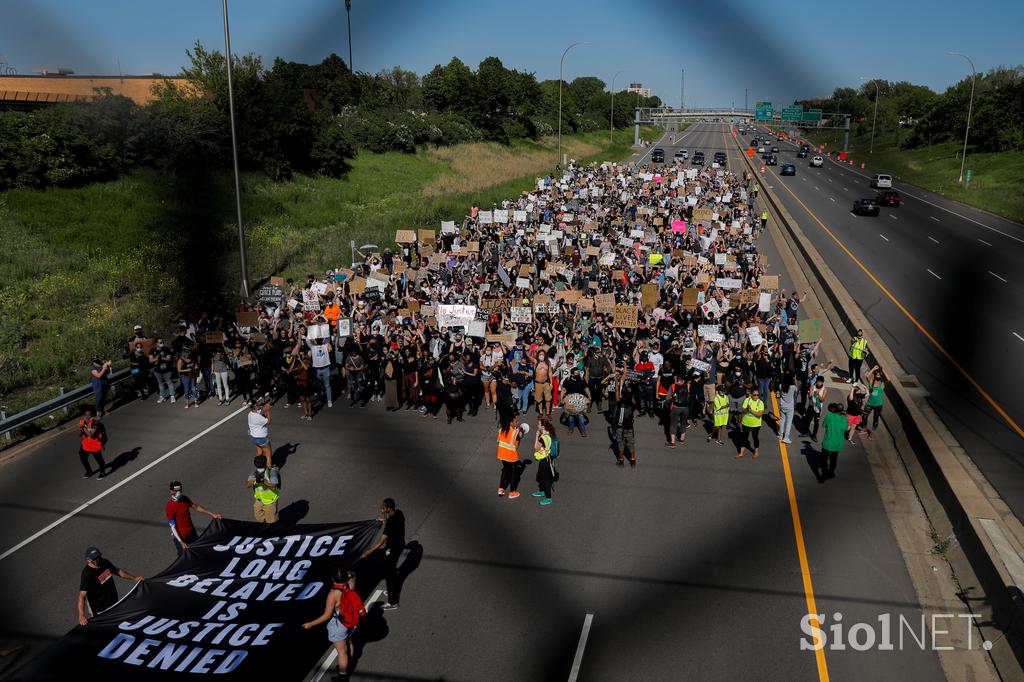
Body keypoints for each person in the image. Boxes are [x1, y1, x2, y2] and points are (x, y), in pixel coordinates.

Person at [302, 569, 366, 682]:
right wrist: (349, 575)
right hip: (350, 621)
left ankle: (343, 676)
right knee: (349, 641)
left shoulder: (333, 594)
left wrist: (310, 624)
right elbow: (353, 575)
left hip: (339, 625)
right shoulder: (350, 585)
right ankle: (348, 663)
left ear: (333, 579)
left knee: (341, 652)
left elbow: (327, 615)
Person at [359, 498, 405, 610]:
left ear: (388, 508)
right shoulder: (399, 513)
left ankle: (393, 603)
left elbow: (381, 541)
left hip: (392, 550)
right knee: (391, 569)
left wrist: (368, 552)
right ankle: (393, 591)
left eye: (383, 507)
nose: (382, 508)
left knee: (389, 575)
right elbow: (393, 522)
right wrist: (385, 521)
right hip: (400, 545)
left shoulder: (391, 522)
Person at [78, 547, 142, 625]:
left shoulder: (104, 563)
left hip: (113, 603)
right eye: (95, 558)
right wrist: (81, 615)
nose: (98, 559)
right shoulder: (87, 574)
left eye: (99, 556)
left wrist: (134, 578)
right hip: (100, 609)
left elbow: (117, 571)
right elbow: (82, 595)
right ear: (88, 560)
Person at [166, 480, 221, 556]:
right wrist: (181, 542)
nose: (179, 492)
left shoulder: (184, 499)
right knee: (184, 557)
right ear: (171, 491)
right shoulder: (170, 507)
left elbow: (196, 507)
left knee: (200, 551)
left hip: (191, 533)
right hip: (181, 537)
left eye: (180, 490)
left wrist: (212, 514)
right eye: (176, 491)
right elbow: (173, 527)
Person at [496, 414, 528, 498]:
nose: (517, 423)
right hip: (510, 455)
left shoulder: (502, 429)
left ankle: (501, 488)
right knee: (513, 473)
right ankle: (512, 492)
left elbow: (498, 440)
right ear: (511, 422)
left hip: (501, 453)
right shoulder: (515, 432)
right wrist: (521, 431)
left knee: (505, 469)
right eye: (516, 421)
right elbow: (516, 445)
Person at [817, 403, 849, 482]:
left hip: (828, 442)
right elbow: (846, 429)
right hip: (837, 443)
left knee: (824, 459)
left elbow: (824, 425)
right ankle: (831, 473)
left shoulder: (829, 416)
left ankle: (823, 475)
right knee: (833, 459)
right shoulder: (845, 419)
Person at [247, 455, 280, 523]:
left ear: (265, 464)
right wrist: (251, 481)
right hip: (259, 500)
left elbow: (273, 486)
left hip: (270, 501)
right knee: (259, 518)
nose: (259, 470)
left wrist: (263, 481)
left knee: (270, 521)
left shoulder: (272, 472)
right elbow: (248, 485)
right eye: (258, 467)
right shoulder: (253, 472)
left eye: (261, 467)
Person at [610, 385, 637, 467]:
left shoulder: (619, 403)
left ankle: (621, 461)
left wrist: (616, 382)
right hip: (629, 428)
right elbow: (633, 399)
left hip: (619, 428)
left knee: (620, 445)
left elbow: (617, 394)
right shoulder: (632, 406)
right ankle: (632, 461)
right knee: (631, 445)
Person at [531, 419, 557, 505]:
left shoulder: (542, 437)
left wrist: (537, 435)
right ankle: (542, 491)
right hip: (547, 458)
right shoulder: (548, 434)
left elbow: (536, 448)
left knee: (545, 478)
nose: (537, 425)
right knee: (541, 475)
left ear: (542, 426)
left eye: (539, 424)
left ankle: (548, 498)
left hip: (545, 460)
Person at [78, 407, 108, 479]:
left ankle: (102, 472)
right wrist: (81, 429)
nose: (87, 417)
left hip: (95, 444)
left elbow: (91, 434)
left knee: (99, 460)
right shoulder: (83, 422)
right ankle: (89, 471)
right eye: (86, 415)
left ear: (93, 415)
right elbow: (80, 435)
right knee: (82, 457)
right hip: (86, 444)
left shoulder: (96, 423)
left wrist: (84, 426)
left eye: (89, 415)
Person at [559, 367, 590, 437]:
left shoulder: (582, 380)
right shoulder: (567, 380)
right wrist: (561, 399)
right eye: (576, 373)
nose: (578, 374)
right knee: (570, 417)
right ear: (572, 374)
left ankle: (583, 431)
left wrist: (589, 396)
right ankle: (571, 429)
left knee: (581, 416)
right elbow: (563, 390)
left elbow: (586, 388)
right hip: (570, 401)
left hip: (579, 400)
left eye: (579, 373)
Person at [735, 388, 765, 460]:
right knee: (744, 438)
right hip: (746, 423)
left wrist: (750, 410)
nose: (756, 396)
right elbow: (743, 410)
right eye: (755, 395)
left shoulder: (760, 403)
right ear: (751, 395)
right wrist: (746, 410)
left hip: (756, 425)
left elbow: (759, 414)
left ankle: (756, 452)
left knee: (755, 438)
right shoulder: (747, 400)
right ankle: (741, 453)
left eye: (758, 395)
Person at [862, 365, 886, 437]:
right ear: (875, 375)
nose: (878, 375)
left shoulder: (882, 384)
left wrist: (883, 370)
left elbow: (889, 379)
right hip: (869, 403)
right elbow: (867, 376)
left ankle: (872, 432)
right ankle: (864, 428)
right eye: (877, 374)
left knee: (875, 419)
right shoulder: (871, 381)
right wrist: (873, 368)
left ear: (881, 376)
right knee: (864, 416)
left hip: (878, 405)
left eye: (879, 374)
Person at [666, 372, 689, 448]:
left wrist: (667, 404)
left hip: (676, 408)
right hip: (685, 408)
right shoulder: (687, 386)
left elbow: (668, 398)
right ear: (683, 381)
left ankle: (672, 443)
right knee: (683, 423)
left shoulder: (672, 386)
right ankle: (682, 439)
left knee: (673, 424)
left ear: (677, 380)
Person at [777, 370, 798, 444]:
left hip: (782, 405)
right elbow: (796, 393)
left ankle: (780, 435)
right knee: (788, 422)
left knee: (782, 420)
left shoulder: (780, 385)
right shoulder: (793, 387)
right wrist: (795, 380)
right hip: (790, 407)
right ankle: (786, 438)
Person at [807, 375, 828, 442]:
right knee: (808, 419)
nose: (819, 383)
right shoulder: (813, 386)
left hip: (818, 408)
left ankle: (814, 435)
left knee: (816, 422)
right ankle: (806, 432)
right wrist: (811, 395)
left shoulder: (825, 389)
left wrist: (818, 394)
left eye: (820, 382)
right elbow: (809, 397)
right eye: (818, 381)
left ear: (823, 382)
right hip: (811, 406)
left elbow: (822, 400)